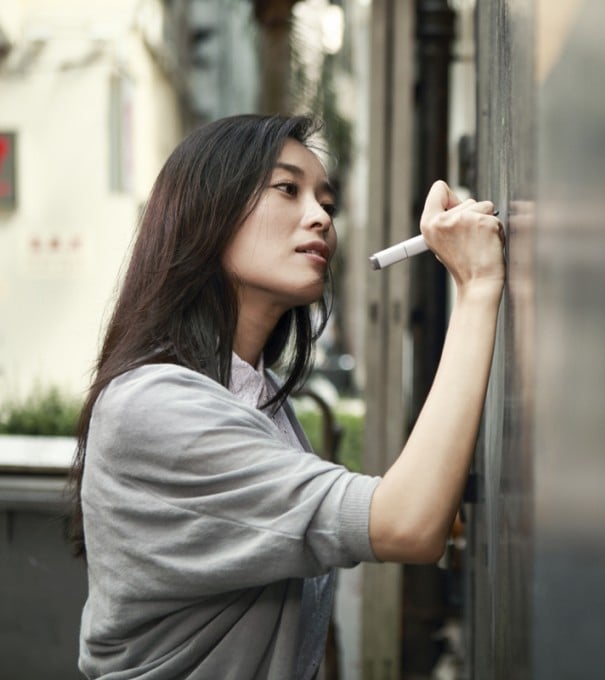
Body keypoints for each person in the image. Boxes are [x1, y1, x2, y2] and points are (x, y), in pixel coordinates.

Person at [65, 114, 504, 679]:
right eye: (286, 189)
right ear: (209, 213)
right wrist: (477, 286)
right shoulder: (153, 407)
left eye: (326, 201)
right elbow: (408, 523)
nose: (320, 216)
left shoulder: (256, 392)